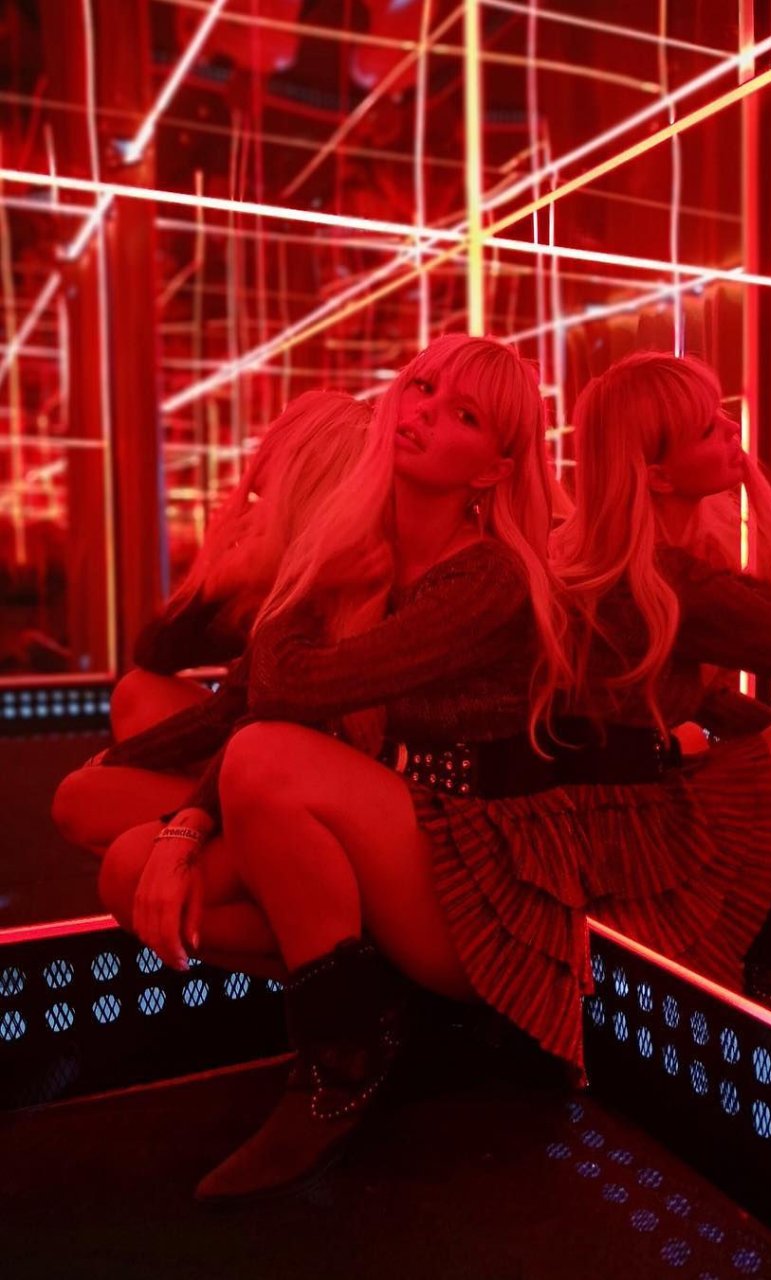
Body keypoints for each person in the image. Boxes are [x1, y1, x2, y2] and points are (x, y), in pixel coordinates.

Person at [99, 334, 583, 1200]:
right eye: (422, 387)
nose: (424, 412)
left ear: (492, 471)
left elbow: (281, 694)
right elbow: (262, 696)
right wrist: (186, 829)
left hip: (487, 888)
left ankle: (341, 1066)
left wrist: (315, 575)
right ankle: (377, 1007)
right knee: (128, 868)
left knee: (267, 757)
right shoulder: (372, 550)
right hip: (402, 847)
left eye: (464, 415)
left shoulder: (488, 577)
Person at [551, 349, 771, 1037]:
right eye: (707, 428)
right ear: (658, 475)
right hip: (643, 838)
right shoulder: (675, 581)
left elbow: (710, 700)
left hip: (599, 833)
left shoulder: (611, 565)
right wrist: (770, 527)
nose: (731, 430)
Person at [51, 391, 370, 855]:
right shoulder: (293, 556)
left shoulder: (333, 574)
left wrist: (117, 761)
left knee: (84, 805)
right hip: (270, 762)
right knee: (137, 693)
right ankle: (214, 847)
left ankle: (222, 850)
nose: (259, 460)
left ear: (306, 474)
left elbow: (236, 713)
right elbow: (157, 652)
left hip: (309, 792)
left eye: (277, 442)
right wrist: (219, 584)